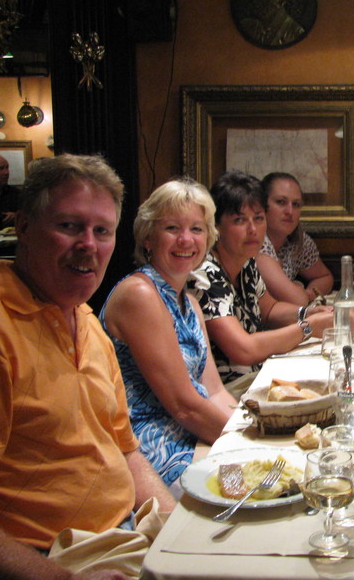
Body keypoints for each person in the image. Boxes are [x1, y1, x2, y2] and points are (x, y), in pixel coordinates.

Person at [0, 154, 175, 579]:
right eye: (70, 226)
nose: (89, 244)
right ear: (24, 227)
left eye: (102, 230)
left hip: (126, 532)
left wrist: (176, 529)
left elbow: (125, 449)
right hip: (55, 557)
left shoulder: (86, 320)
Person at [99, 179, 237, 491]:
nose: (186, 239)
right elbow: (184, 406)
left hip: (194, 434)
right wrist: (247, 444)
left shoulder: (191, 304)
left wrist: (249, 431)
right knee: (257, 491)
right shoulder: (140, 294)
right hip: (149, 447)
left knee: (277, 481)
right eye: (172, 228)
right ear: (148, 238)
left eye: (197, 229)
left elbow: (215, 392)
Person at [187, 171, 334, 396]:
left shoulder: (246, 262)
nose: (253, 230)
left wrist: (307, 312)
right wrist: (307, 327)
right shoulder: (204, 273)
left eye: (258, 218)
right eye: (239, 220)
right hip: (225, 392)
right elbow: (243, 349)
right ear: (216, 226)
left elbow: (270, 310)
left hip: (257, 376)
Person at [256, 172, 333, 305]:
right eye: (281, 202)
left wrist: (309, 293)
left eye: (296, 204)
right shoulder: (256, 240)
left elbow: (325, 277)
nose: (290, 211)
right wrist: (298, 292)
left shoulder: (298, 240)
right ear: (262, 205)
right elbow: (296, 299)